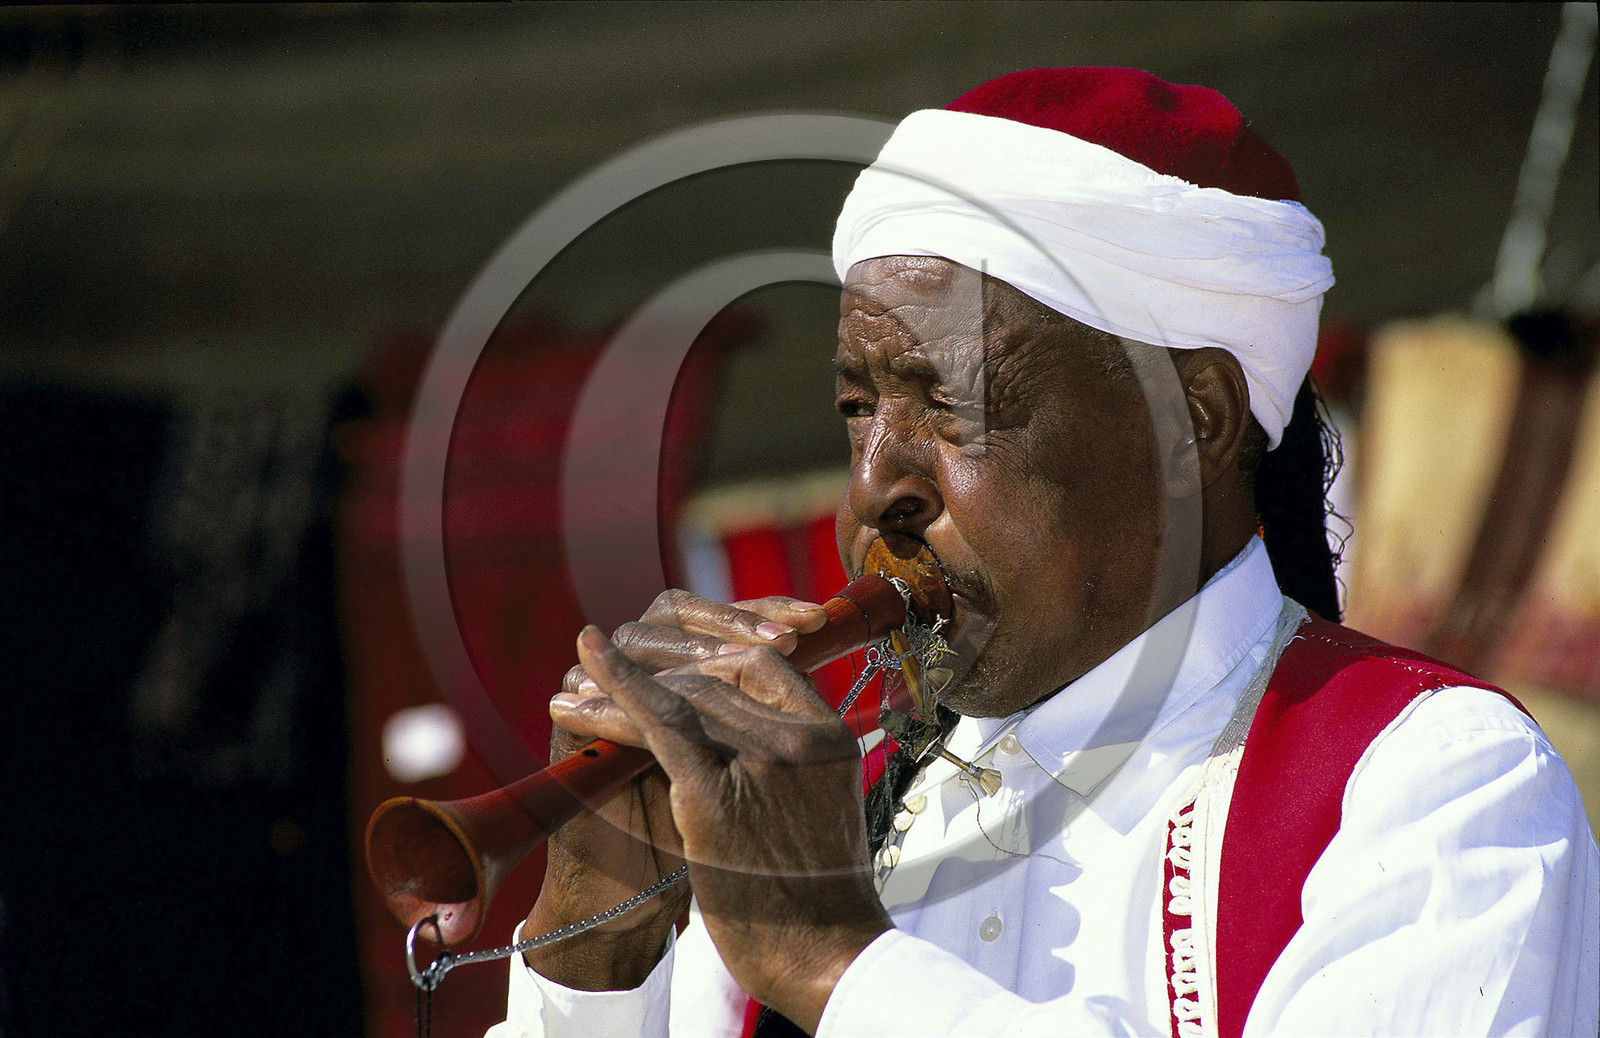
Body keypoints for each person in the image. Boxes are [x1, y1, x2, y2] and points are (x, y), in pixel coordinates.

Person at [486, 68, 1599, 1038]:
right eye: (854, 406)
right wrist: (592, 970)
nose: (875, 488)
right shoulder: (800, 826)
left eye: (953, 405)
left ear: (1194, 420)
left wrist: (835, 965)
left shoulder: (1432, 783)